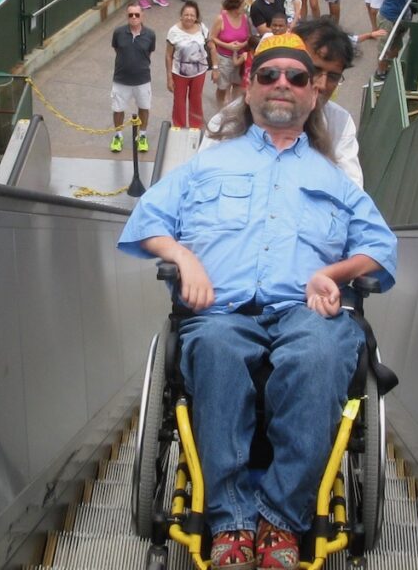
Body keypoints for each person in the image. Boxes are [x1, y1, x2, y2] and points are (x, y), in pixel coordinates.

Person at [117, 32, 397, 570]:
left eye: (296, 77)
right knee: (217, 349)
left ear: (313, 94)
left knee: (319, 354)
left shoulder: (333, 178)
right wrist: (186, 259)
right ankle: (231, 521)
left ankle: (281, 520)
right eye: (269, 76)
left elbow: (382, 248)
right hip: (221, 310)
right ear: (249, 89)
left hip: (307, 312)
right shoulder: (209, 164)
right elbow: (146, 220)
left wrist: (332, 273)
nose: (282, 86)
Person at [201, 17, 369, 187]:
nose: (322, 85)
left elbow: (353, 192)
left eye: (333, 77)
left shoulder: (339, 122)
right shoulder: (227, 121)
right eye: (314, 70)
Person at [110, 3, 157, 153]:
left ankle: (142, 136)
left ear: (142, 16)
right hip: (121, 79)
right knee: (118, 109)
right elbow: (117, 49)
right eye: (131, 15)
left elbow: (148, 52)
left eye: (137, 14)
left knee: (144, 108)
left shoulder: (150, 34)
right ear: (127, 16)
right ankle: (118, 136)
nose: (134, 17)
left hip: (142, 80)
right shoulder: (118, 33)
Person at [166, 0, 210, 129]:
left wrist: (216, 67)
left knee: (196, 100)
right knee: (179, 101)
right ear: (181, 16)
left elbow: (210, 45)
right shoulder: (173, 31)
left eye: (192, 15)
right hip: (179, 72)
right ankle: (178, 126)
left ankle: (196, 127)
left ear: (196, 17)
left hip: (199, 71)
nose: (189, 17)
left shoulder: (202, 27)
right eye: (186, 15)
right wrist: (169, 77)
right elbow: (168, 55)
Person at [209, 0, 251, 107]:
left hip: (240, 57)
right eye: (243, 5)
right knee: (222, 87)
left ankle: (234, 109)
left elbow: (248, 37)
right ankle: (219, 109)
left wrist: (242, 45)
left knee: (237, 85)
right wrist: (227, 45)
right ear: (235, 6)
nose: (244, 7)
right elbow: (212, 37)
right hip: (224, 58)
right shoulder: (221, 18)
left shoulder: (244, 17)